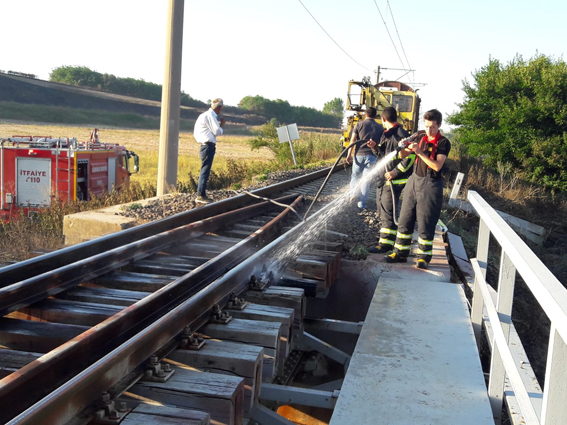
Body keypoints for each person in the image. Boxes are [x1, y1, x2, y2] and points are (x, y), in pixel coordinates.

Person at [385, 109, 451, 269]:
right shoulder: (420, 137)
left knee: (425, 222)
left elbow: (436, 165)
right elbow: (403, 156)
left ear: (439, 125)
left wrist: (420, 152)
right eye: (427, 126)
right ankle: (400, 252)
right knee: (405, 218)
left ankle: (423, 257)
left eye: (432, 127)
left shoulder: (443, 143)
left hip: (431, 185)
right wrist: (405, 148)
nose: (429, 130)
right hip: (413, 181)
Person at [367, 107, 414, 253]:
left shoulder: (401, 135)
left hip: (394, 181)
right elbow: (384, 155)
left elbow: (411, 157)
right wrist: (375, 148)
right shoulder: (386, 135)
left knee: (388, 211)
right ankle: (386, 238)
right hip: (383, 179)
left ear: (383, 119)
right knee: (382, 209)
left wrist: (394, 172)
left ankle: (386, 244)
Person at [346, 107, 384, 209]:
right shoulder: (380, 127)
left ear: (364, 115)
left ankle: (352, 195)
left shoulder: (359, 124)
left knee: (355, 176)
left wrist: (349, 154)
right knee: (366, 180)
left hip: (358, 155)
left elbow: (352, 141)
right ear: (375, 116)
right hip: (372, 155)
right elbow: (381, 144)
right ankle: (361, 204)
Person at [194, 98, 226, 203]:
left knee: (205, 170)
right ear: (220, 108)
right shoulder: (210, 116)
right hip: (208, 146)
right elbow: (217, 131)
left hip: (204, 146)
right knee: (205, 171)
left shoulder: (203, 115)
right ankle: (201, 195)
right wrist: (222, 125)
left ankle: (201, 193)